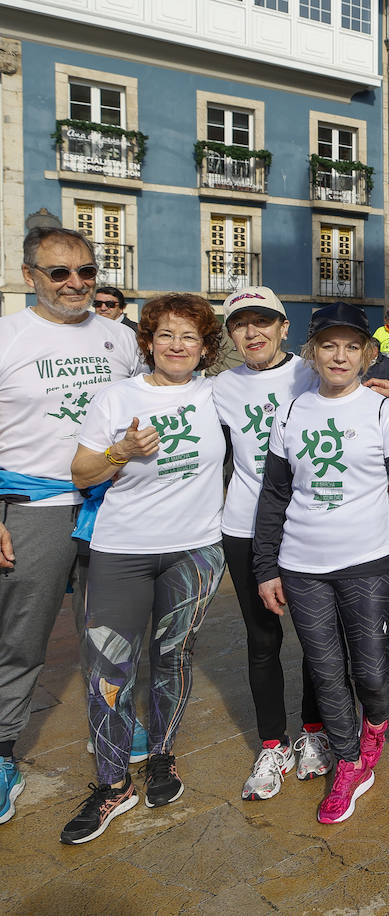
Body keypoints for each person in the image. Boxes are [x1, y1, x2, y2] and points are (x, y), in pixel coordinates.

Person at [60, 293, 228, 844]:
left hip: (196, 550)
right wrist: (122, 451)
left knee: (172, 658)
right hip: (121, 551)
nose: (177, 346)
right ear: (148, 342)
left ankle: (162, 755)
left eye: (190, 337)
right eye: (166, 335)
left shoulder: (215, 393)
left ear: (204, 349)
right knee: (107, 668)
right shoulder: (116, 396)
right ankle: (112, 785)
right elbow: (82, 472)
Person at [252, 302, 389, 825]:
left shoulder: (382, 412)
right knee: (325, 672)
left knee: (370, 669)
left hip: (367, 562)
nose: (340, 356)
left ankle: (375, 725)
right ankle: (348, 762)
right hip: (301, 566)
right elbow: (275, 496)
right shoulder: (291, 413)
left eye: (352, 346)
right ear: (312, 353)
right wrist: (265, 566)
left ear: (369, 354)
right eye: (329, 346)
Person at [0, 227, 141, 827]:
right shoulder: (6, 337)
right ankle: (4, 753)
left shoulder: (120, 338)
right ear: (30, 274)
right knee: (21, 636)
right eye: (60, 273)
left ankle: (114, 720)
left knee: (112, 628)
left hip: (113, 503)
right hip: (34, 506)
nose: (77, 283)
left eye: (87, 271)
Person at [211, 286, 332, 802]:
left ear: (285, 328)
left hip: (303, 523)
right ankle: (272, 742)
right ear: (231, 335)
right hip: (243, 526)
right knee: (262, 639)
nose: (252, 333)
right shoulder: (218, 387)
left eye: (263, 322)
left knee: (314, 636)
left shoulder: (310, 373)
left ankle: (313, 732)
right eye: (241, 324)